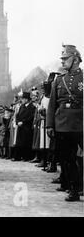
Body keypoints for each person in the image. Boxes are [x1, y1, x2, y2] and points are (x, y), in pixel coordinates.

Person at [46, 44, 83, 202]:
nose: (62, 62)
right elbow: (52, 105)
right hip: (63, 124)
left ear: (75, 59)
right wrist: (50, 125)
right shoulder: (59, 80)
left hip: (81, 123)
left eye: (65, 58)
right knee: (67, 159)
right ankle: (73, 189)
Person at [14, 92, 36, 161]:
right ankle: (18, 156)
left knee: (26, 142)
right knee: (19, 142)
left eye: (23, 99)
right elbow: (17, 115)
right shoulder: (21, 106)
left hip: (27, 127)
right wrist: (17, 122)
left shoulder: (32, 107)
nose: (22, 100)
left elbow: (31, 117)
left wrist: (23, 122)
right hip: (20, 126)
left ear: (26, 99)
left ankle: (26, 157)